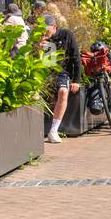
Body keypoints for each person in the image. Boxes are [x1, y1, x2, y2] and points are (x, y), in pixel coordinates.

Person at [43, 15, 81, 144]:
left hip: (62, 73)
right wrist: (40, 47)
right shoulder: (40, 39)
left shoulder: (67, 35)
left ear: (54, 27)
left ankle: (53, 130)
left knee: (63, 92)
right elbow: (47, 63)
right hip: (44, 72)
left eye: (46, 29)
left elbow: (76, 57)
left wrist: (76, 80)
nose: (44, 32)